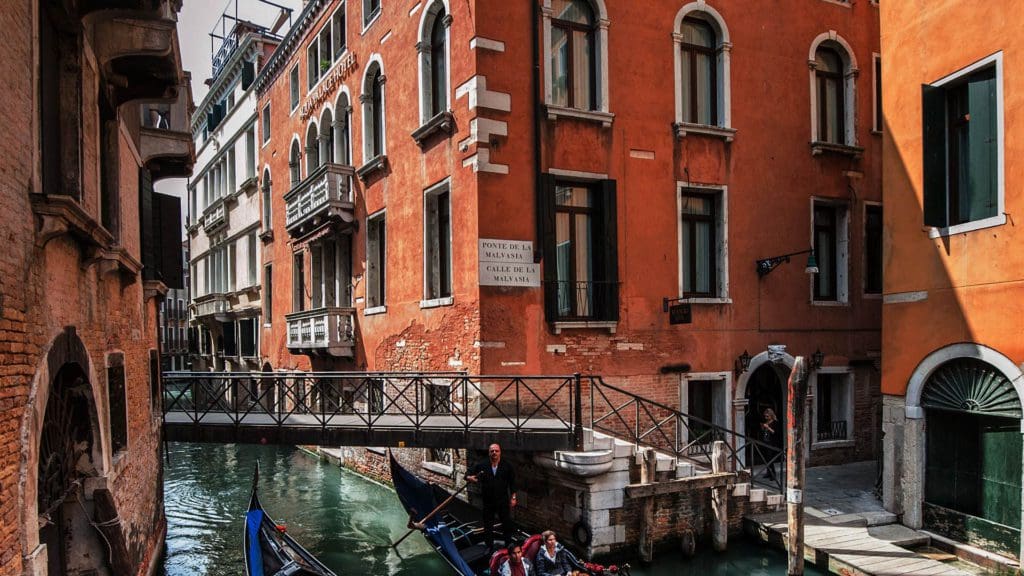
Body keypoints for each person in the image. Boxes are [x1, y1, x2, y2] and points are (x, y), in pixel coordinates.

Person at [466, 443, 517, 551]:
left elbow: (512, 483)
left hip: (502, 500)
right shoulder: (482, 465)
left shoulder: (507, 466)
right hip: (488, 500)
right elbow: (469, 473)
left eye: (496, 451)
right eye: (492, 451)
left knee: (506, 522)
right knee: (488, 524)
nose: (494, 453)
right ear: (489, 453)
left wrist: (513, 497)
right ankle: (489, 545)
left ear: (500, 452)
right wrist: (469, 477)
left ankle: (508, 544)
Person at [760, 407, 778, 481]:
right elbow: (764, 432)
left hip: (772, 443)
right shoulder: (766, 422)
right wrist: (763, 427)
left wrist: (768, 427)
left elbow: (775, 432)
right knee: (766, 458)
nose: (766, 417)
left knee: (771, 459)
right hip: (765, 441)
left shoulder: (775, 422)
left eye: (767, 416)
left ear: (771, 415)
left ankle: (773, 474)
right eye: (765, 416)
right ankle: (768, 472)